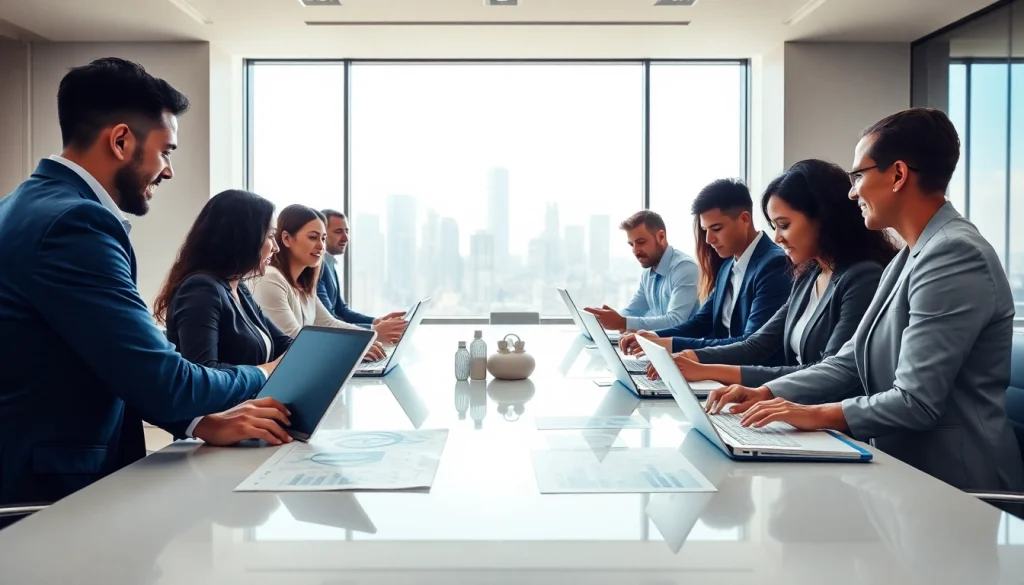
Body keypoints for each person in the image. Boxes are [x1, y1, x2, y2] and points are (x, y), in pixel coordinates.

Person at [0, 58, 291, 506]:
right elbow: (166, 382)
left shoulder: (26, 206)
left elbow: (113, 362)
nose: (168, 170)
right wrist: (262, 373)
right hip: (50, 497)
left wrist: (199, 423)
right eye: (166, 151)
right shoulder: (74, 223)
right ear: (120, 141)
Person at [706, 108, 1024, 492]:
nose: (852, 191)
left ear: (898, 175)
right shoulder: (908, 257)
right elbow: (848, 364)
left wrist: (814, 414)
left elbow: (915, 401)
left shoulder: (953, 254)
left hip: (958, 484)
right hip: (905, 472)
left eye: (858, 175)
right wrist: (769, 393)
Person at [647, 160, 900, 390]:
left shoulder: (862, 277)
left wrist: (708, 370)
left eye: (784, 225)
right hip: (790, 407)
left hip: (822, 415)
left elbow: (830, 373)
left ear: (823, 218)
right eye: (774, 226)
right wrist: (691, 357)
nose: (777, 237)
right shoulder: (808, 275)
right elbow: (757, 344)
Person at [620, 179, 791, 364]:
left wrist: (670, 344)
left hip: (752, 376)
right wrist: (652, 337)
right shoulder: (727, 266)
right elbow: (701, 322)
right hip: (720, 370)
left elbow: (750, 345)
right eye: (705, 230)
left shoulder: (774, 265)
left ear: (744, 219)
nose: (709, 239)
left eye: (716, 229)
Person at [154, 190, 293, 369]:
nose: (276, 248)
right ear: (244, 237)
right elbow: (204, 370)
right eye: (271, 236)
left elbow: (284, 344)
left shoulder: (238, 288)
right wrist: (265, 371)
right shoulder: (200, 290)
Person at [249, 204, 397, 356]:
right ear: (286, 238)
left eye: (323, 238)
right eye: (313, 237)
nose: (321, 246)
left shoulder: (303, 284)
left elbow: (328, 323)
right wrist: (354, 347)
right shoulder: (271, 278)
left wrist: (368, 338)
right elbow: (293, 338)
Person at [583, 210, 699, 332]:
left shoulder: (684, 268)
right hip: (657, 342)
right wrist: (604, 320)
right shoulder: (647, 275)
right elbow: (633, 311)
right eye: (631, 244)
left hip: (684, 343)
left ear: (661, 237)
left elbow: (676, 321)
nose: (635, 250)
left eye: (641, 242)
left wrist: (622, 322)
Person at [318, 209, 407, 329]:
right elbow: (329, 321)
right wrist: (374, 329)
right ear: (322, 234)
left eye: (346, 231)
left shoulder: (329, 263)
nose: (345, 238)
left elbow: (341, 310)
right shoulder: (317, 268)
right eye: (338, 231)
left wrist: (376, 321)